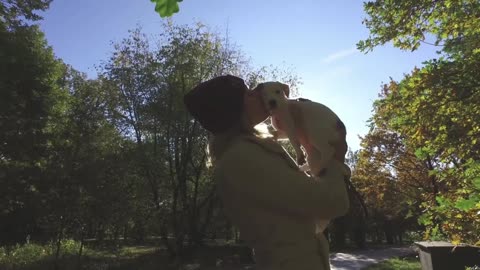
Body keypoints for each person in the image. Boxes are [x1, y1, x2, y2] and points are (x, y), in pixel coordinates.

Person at [183, 75, 349, 270]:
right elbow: (331, 203)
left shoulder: (247, 151)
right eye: (248, 93)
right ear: (234, 109)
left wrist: (306, 137)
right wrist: (335, 157)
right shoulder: (243, 157)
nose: (258, 92)